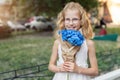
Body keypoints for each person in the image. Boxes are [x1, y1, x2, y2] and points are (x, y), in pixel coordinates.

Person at [48, 2, 98, 80]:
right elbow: (50, 66)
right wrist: (59, 68)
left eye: (75, 19)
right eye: (67, 19)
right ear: (63, 21)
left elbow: (95, 71)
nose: (71, 23)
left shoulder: (88, 44)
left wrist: (78, 69)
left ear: (81, 21)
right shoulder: (57, 43)